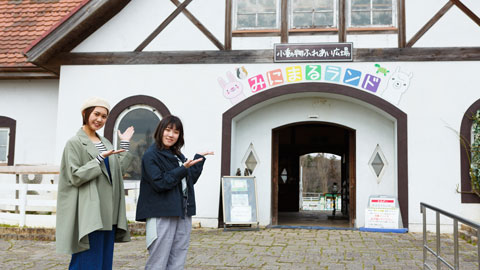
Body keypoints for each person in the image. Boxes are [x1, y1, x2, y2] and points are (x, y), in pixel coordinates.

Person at [56, 97, 135, 270]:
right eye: (96, 114)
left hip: (109, 212)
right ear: (85, 114)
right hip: (90, 211)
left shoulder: (105, 142)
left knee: (104, 262)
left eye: (104, 116)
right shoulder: (74, 143)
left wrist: (125, 144)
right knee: (87, 261)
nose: (99, 119)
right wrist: (99, 159)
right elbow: (75, 176)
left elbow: (115, 171)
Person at [136, 115, 213, 270]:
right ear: (160, 130)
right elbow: (161, 183)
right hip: (161, 213)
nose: (171, 135)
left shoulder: (177, 155)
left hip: (182, 211)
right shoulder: (151, 155)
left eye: (176, 132)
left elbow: (188, 181)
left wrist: (198, 160)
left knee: (178, 258)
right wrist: (183, 168)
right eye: (168, 130)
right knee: (158, 260)